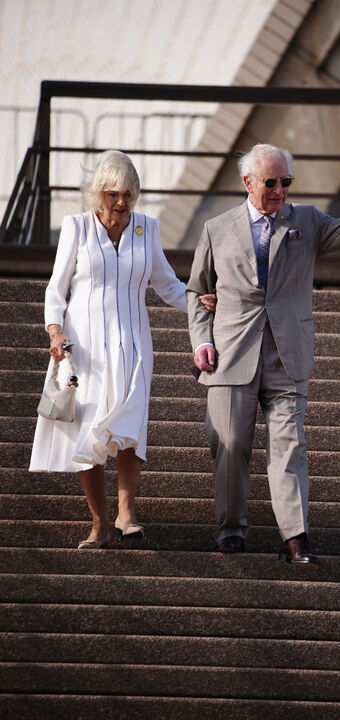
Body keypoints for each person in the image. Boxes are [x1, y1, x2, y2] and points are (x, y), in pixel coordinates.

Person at [187, 142, 340, 565]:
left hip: (288, 352)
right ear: (247, 182)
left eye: (285, 181)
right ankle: (231, 532)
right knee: (230, 442)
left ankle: (296, 538)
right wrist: (202, 340)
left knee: (289, 446)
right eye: (270, 182)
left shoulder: (306, 219)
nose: (279, 190)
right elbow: (198, 291)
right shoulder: (217, 227)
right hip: (231, 353)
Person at [29, 150, 215, 549]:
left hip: (133, 344)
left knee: (132, 424)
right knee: (91, 427)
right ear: (98, 193)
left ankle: (126, 512)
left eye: (128, 194)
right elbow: (55, 289)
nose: (121, 202)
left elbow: (167, 285)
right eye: (113, 193)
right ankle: (99, 523)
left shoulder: (147, 228)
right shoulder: (76, 227)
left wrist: (200, 300)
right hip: (85, 348)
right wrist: (54, 333)